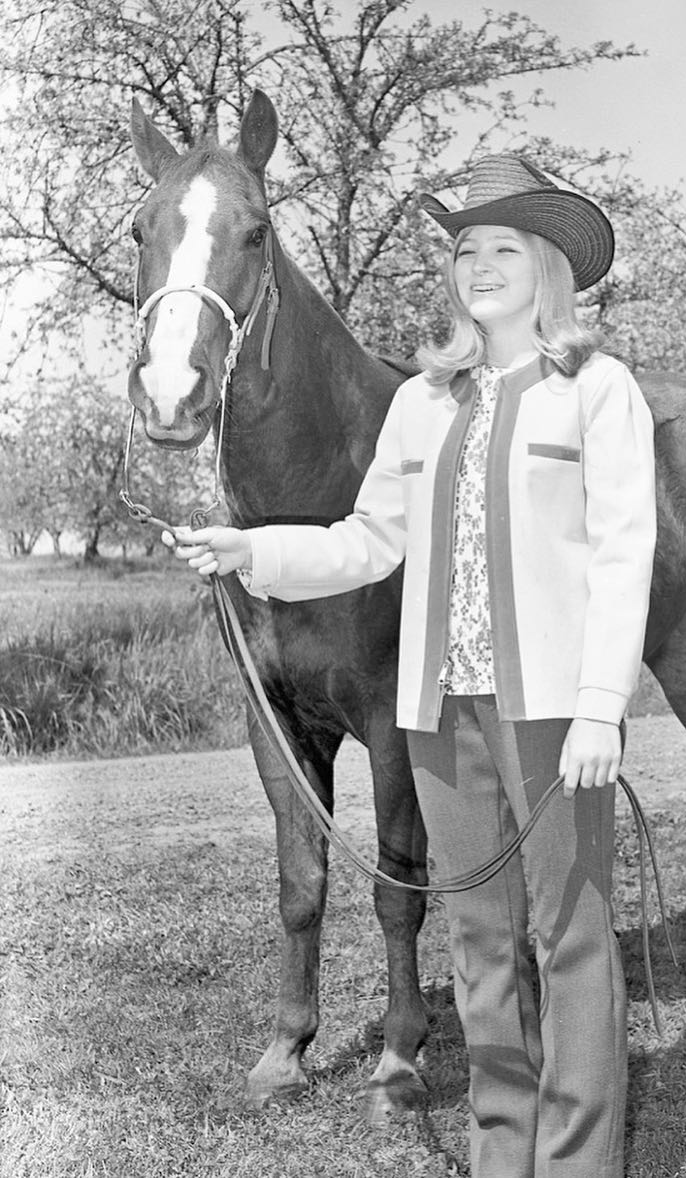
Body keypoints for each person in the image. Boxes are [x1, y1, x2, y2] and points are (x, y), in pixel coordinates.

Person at [166, 154, 657, 1178]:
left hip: (554, 710)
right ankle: (501, 1149)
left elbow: (622, 556)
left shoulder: (598, 391)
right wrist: (252, 549)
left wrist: (604, 709)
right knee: (478, 948)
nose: (478, 265)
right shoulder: (424, 402)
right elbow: (364, 541)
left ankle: (576, 1160)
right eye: (466, 248)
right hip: (436, 713)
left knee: (568, 943)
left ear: (551, 267)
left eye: (502, 247)